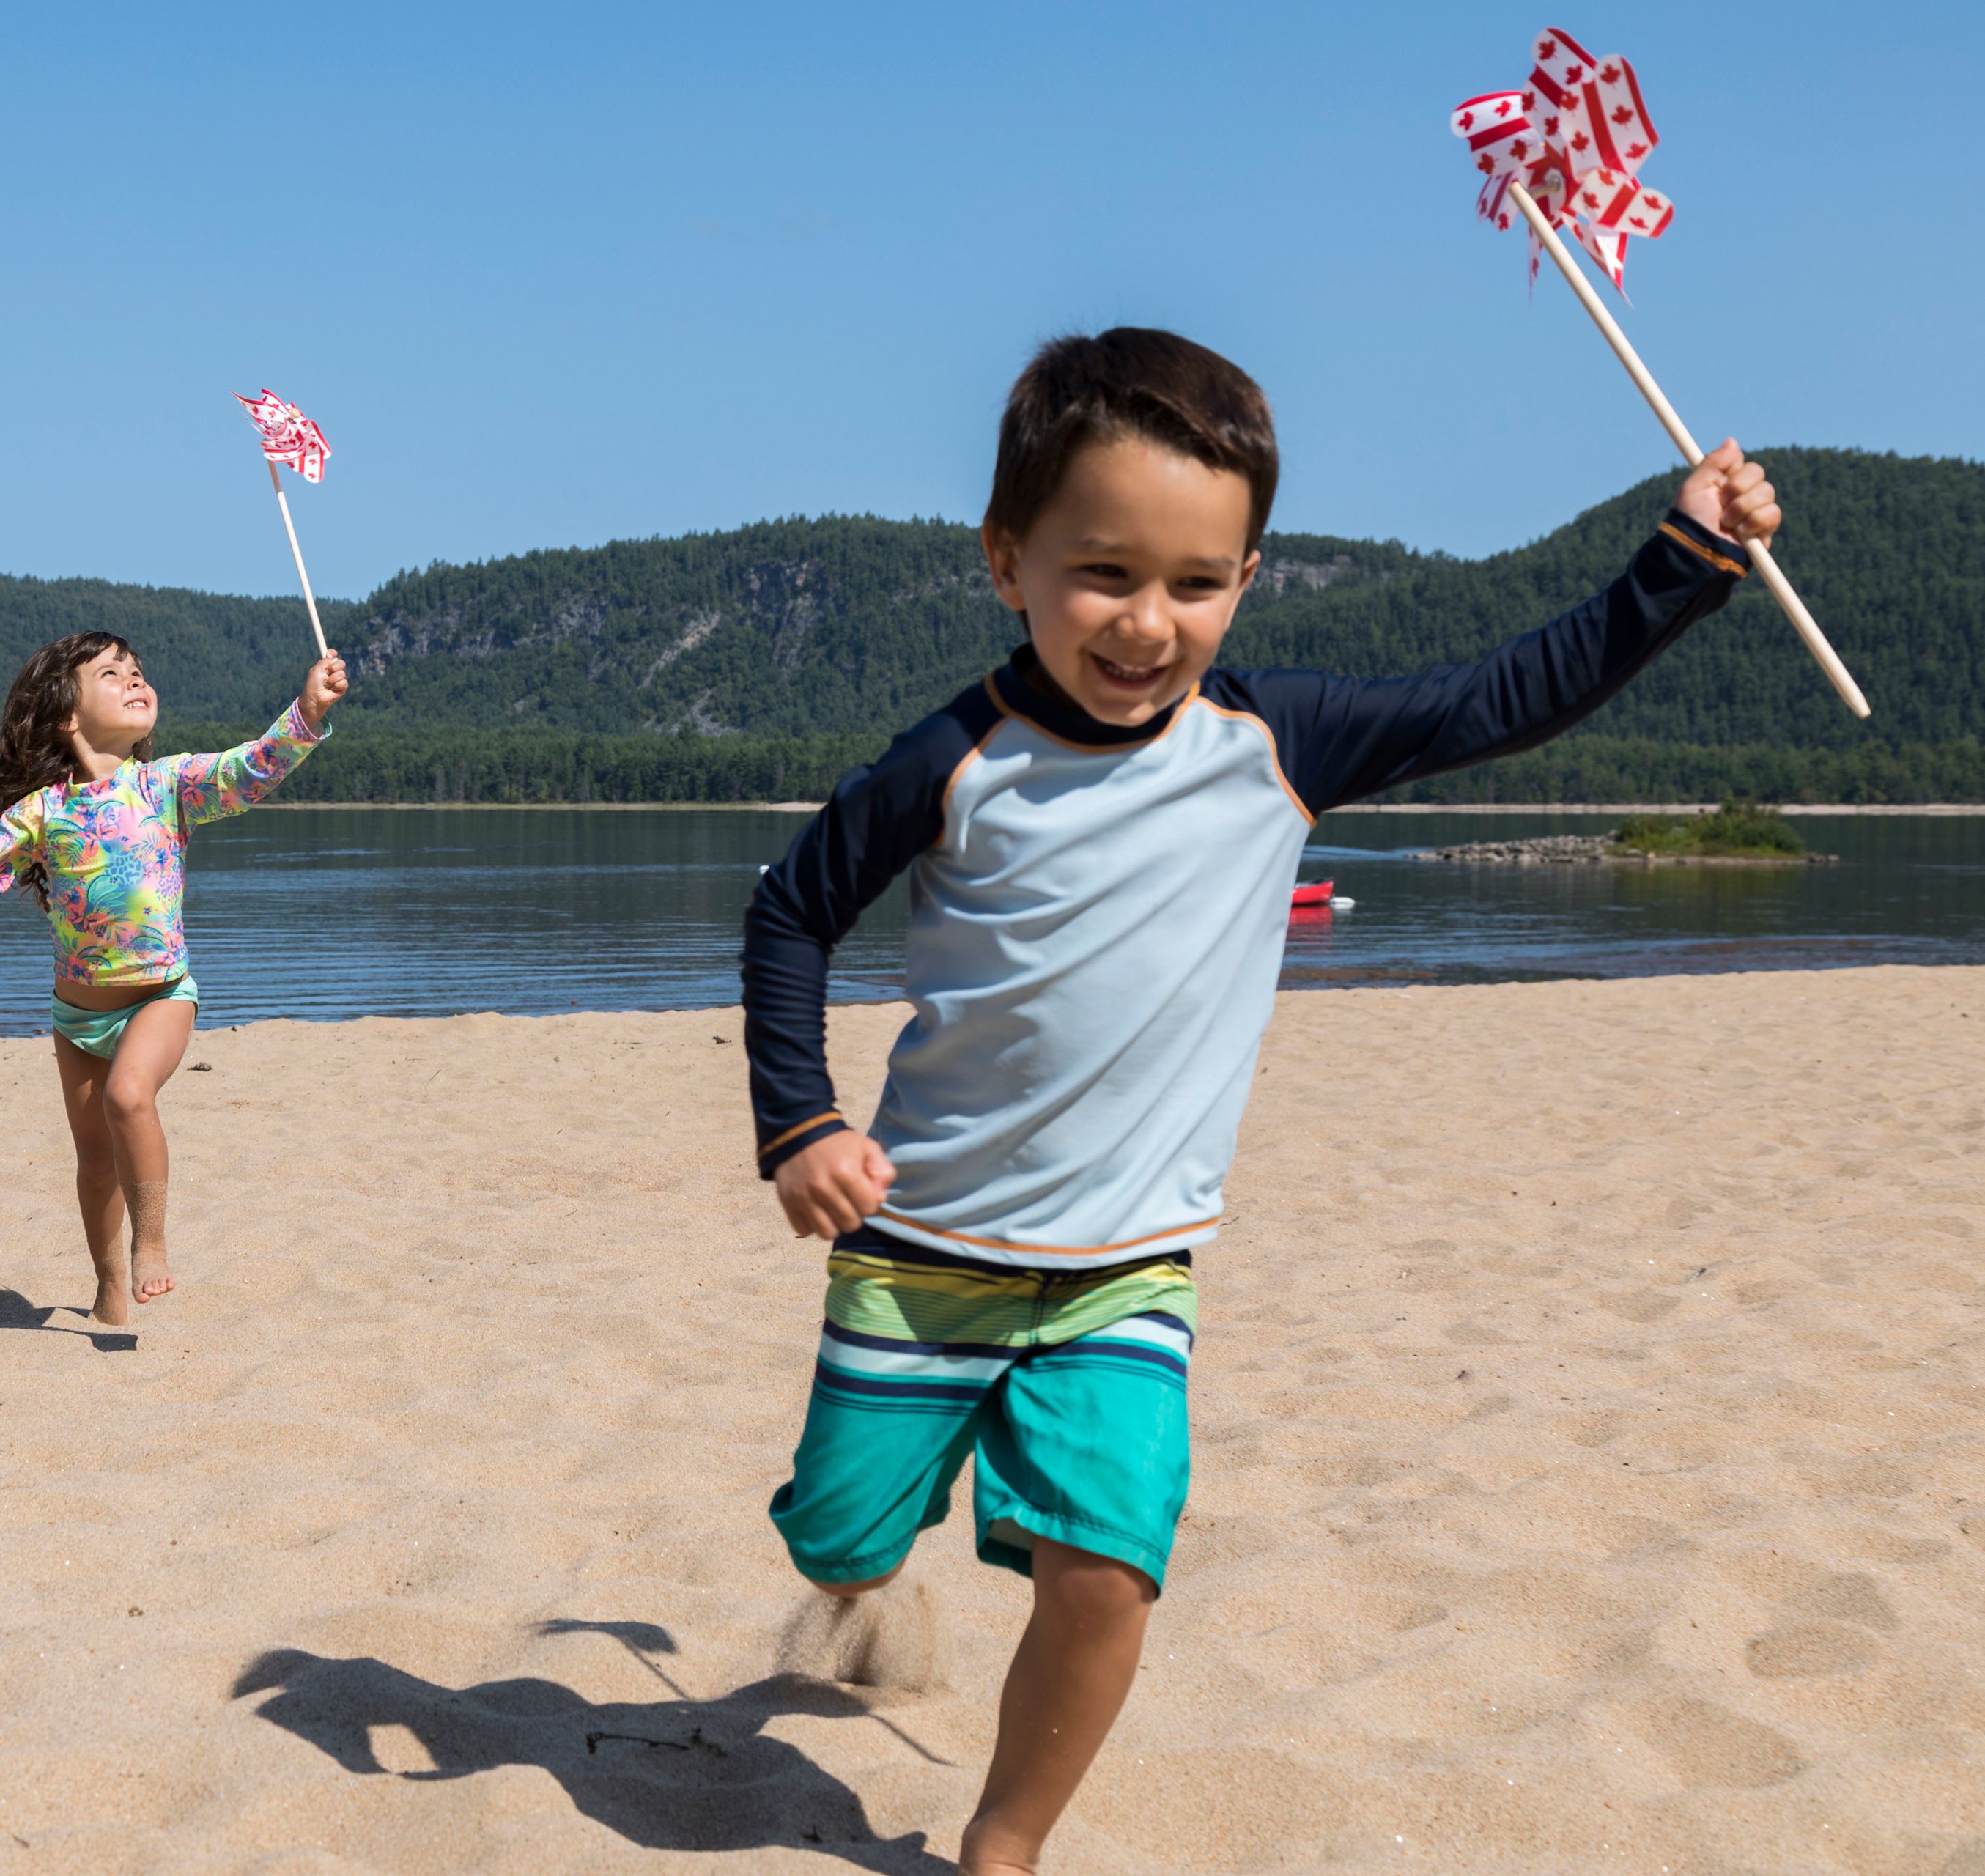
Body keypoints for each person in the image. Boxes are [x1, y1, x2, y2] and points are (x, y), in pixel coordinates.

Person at [741, 328, 1775, 1872]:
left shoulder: (1276, 745)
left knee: (1110, 1569)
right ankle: (879, 1562)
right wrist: (802, 1123)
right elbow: (788, 914)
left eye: (1199, 581)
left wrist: (1684, 555)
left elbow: (1508, 694)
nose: (1150, 622)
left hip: (1128, 1266)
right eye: (1105, 573)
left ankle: (1003, 1843)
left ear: (1247, 578)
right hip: (924, 1251)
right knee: (840, 1535)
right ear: (1007, 558)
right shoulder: (952, 759)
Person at [0, 633, 347, 1326]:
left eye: (139, 671)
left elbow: (249, 769)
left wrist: (307, 711)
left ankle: (150, 1245)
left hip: (161, 995)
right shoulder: (46, 811)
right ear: (68, 715)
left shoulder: (167, 784)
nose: (135, 680)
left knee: (130, 1099)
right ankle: (106, 1281)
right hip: (77, 1018)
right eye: (112, 673)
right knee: (95, 1161)